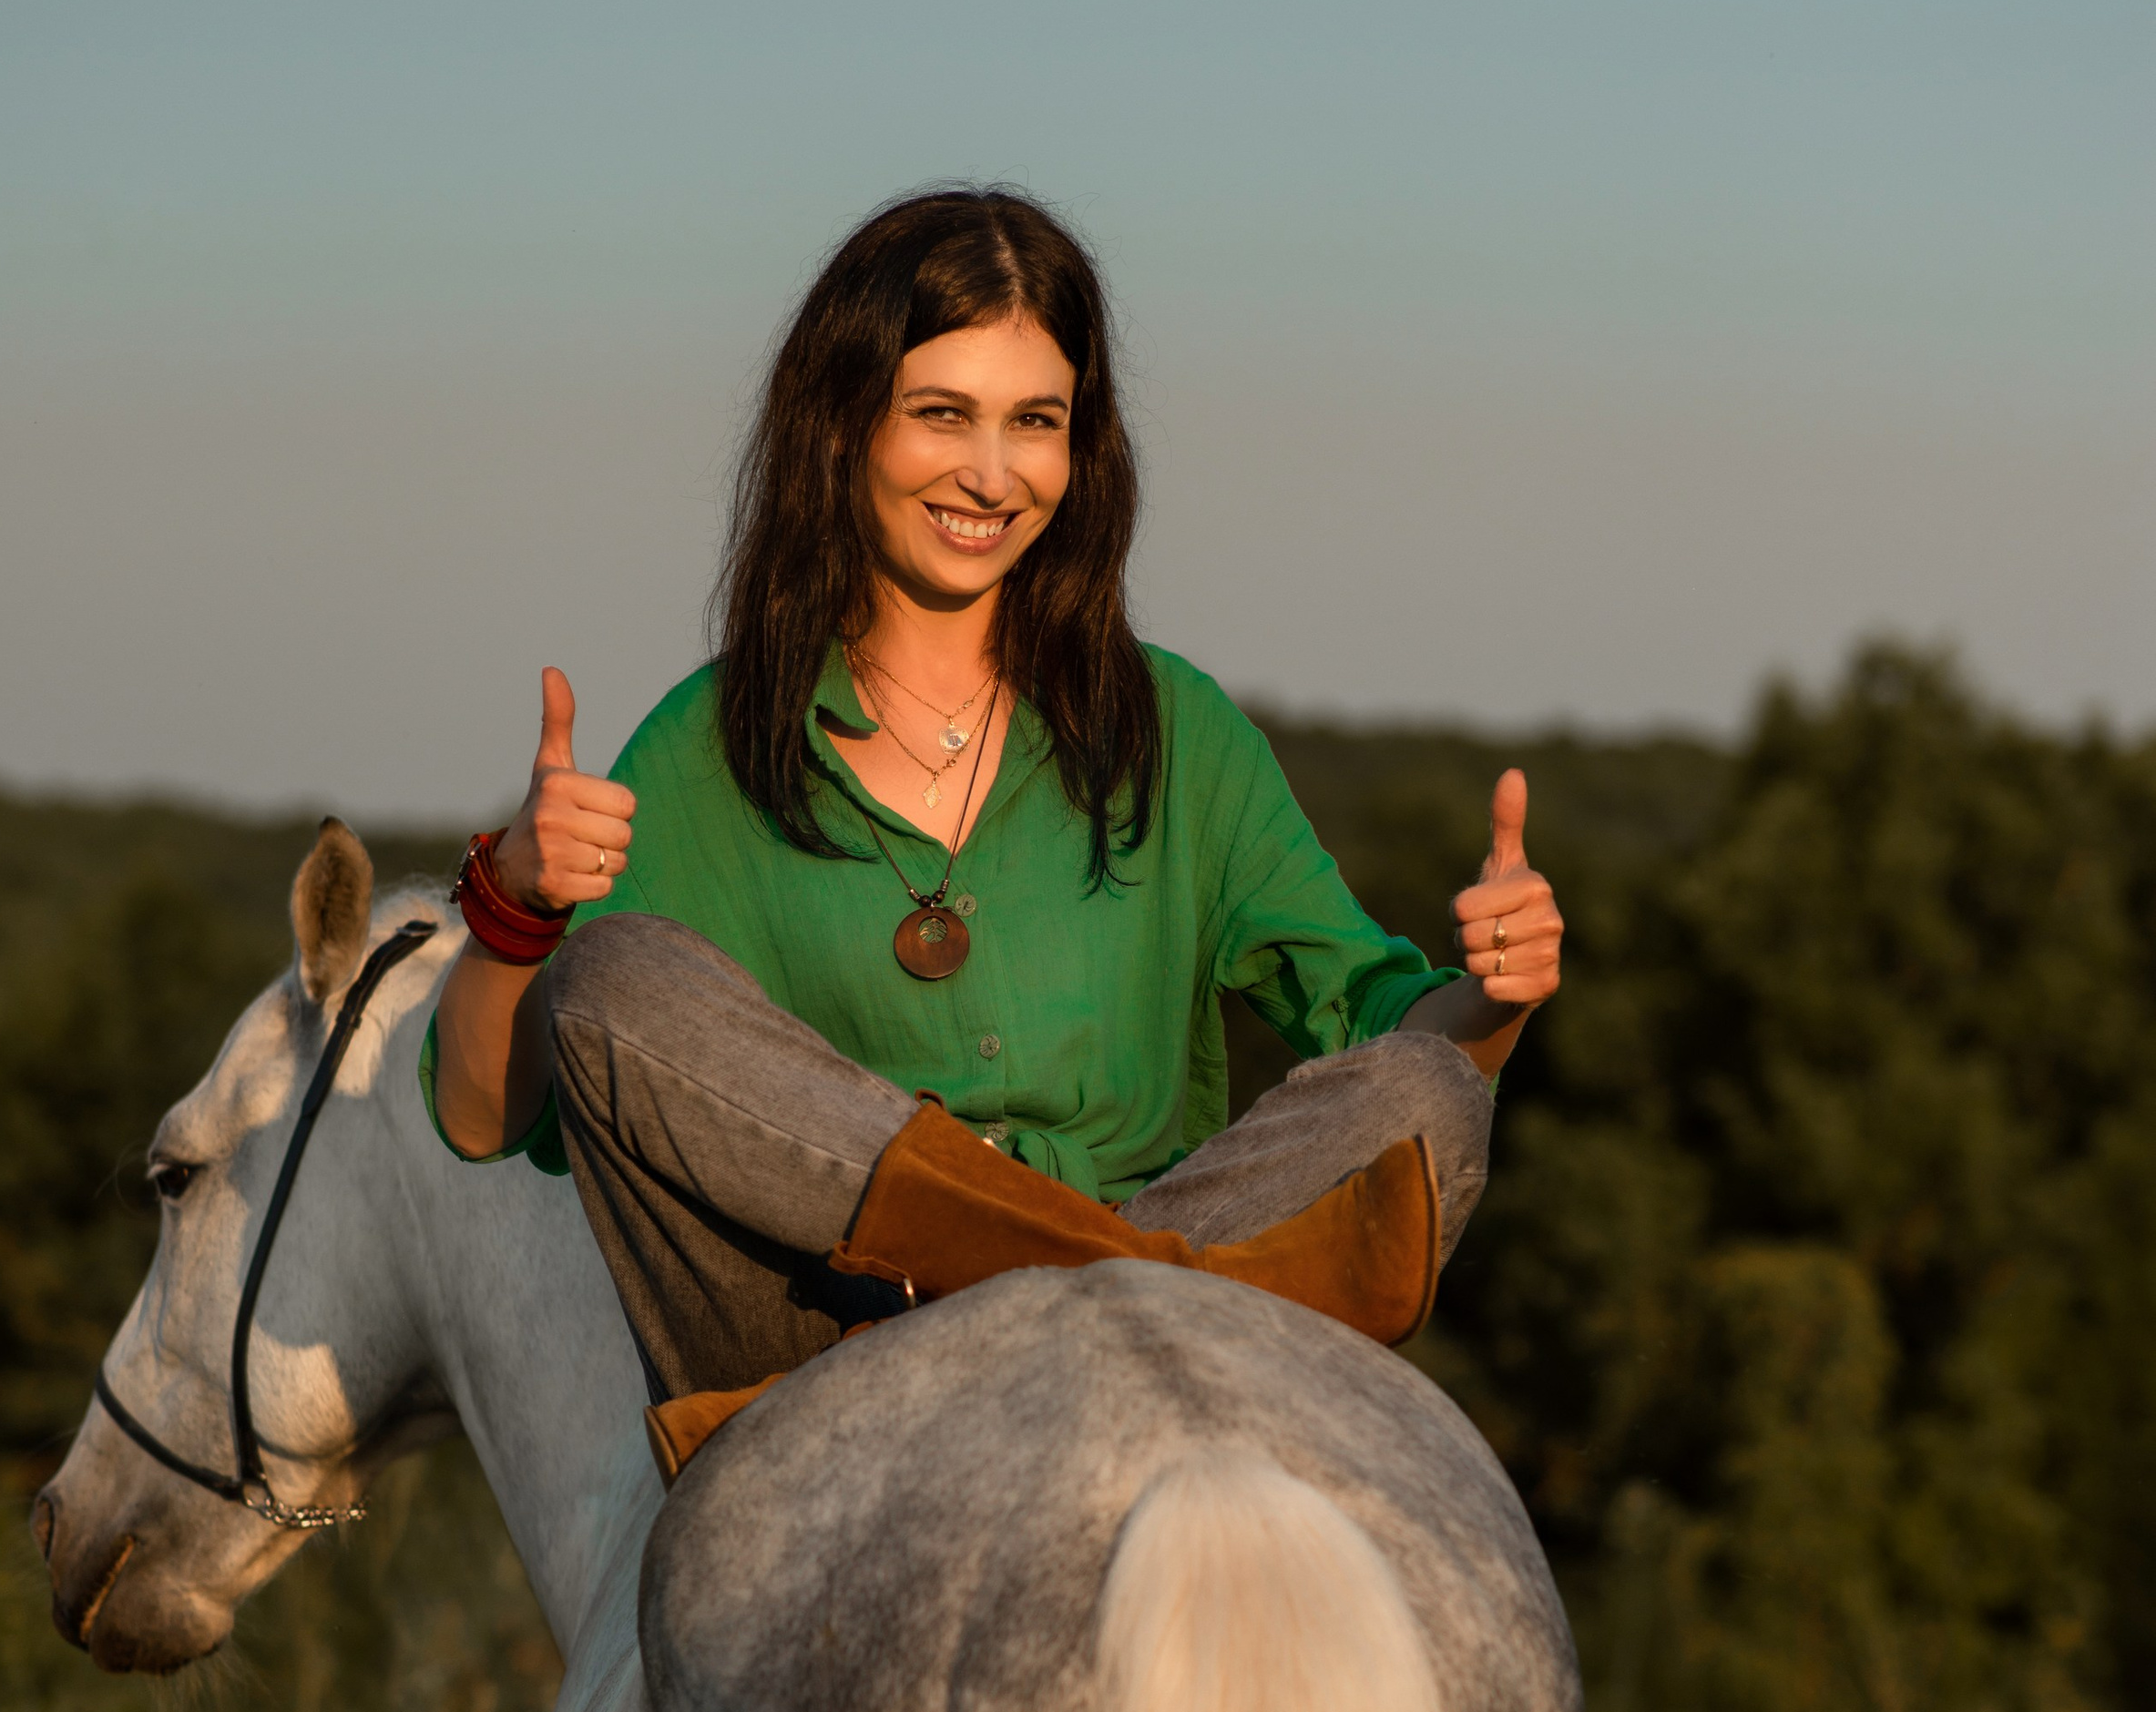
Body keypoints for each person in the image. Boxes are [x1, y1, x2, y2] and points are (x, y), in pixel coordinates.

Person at [424, 188, 1564, 1483]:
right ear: (841, 424)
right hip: (827, 1334)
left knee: (1426, 1095)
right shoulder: (704, 746)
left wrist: (1493, 999)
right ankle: (1127, 1297)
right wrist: (514, 911)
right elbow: (489, 1117)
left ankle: (1089, 1294)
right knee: (614, 976)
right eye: (941, 414)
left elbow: (1377, 1026)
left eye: (1036, 422)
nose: (992, 473)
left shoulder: (1176, 731)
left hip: (1154, 1242)